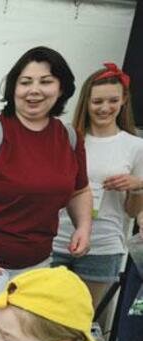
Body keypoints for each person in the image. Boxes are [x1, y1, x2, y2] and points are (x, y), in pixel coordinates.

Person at [0, 46, 92, 321]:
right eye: (25, 82)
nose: (34, 90)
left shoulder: (70, 138)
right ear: (13, 89)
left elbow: (80, 190)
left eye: (45, 81)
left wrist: (84, 226)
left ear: (61, 89)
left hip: (35, 264)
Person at [52, 63, 143, 311]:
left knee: (84, 320)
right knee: (43, 319)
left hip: (103, 246)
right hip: (56, 240)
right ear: (86, 102)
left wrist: (136, 187)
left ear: (124, 100)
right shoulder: (67, 138)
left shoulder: (135, 146)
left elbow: (132, 211)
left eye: (113, 100)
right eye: (97, 102)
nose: (105, 108)